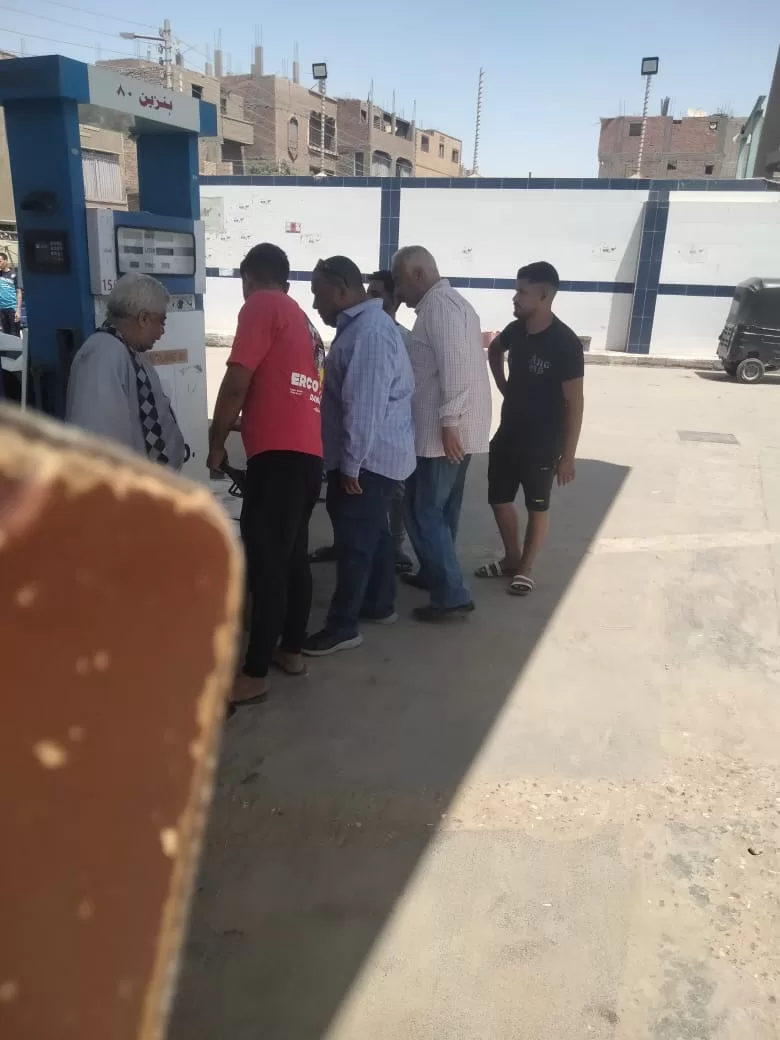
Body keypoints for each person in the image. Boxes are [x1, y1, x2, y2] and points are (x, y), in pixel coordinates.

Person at [207, 243, 324, 708]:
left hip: (277, 461)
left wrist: (217, 441)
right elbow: (287, 390)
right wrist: (251, 421)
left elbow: (236, 382)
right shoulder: (303, 321)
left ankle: (254, 674)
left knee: (267, 564)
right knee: (293, 559)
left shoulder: (261, 305)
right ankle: (290, 651)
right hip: (306, 458)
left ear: (249, 278)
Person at [303, 255, 415, 657]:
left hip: (367, 460)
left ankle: (343, 626)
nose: (315, 303)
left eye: (318, 294)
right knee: (374, 532)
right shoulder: (363, 327)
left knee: (354, 543)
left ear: (340, 290)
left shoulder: (369, 333)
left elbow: (364, 408)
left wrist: (350, 467)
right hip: (376, 456)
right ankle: (380, 604)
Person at [391, 245, 492, 622]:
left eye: (400, 281)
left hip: (442, 433)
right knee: (443, 509)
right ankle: (436, 574)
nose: (398, 291)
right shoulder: (451, 304)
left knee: (422, 510)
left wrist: (449, 423)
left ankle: (451, 593)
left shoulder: (441, 308)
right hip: (450, 428)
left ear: (418, 274)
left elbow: (457, 367)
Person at [477, 261, 584, 595]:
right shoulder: (516, 330)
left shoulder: (565, 342)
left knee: (537, 505)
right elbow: (495, 349)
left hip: (543, 440)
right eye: (516, 290)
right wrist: (502, 384)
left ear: (544, 295)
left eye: (522, 292)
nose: (515, 297)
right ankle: (511, 558)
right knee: (499, 498)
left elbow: (575, 402)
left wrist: (568, 455)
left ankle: (525, 568)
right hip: (509, 432)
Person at [66, 273, 186, 468]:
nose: (161, 332)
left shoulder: (126, 351)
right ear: (143, 318)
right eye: (161, 322)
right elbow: (97, 442)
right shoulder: (103, 355)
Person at [0, 252, 21, 336]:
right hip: (1, 310)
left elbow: (19, 292)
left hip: (12, 309)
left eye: (0, 261)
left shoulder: (14, 275)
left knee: (14, 334)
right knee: (5, 336)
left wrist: (18, 310)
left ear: (6, 261)